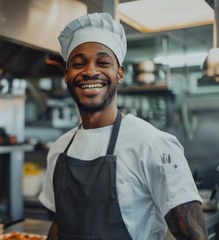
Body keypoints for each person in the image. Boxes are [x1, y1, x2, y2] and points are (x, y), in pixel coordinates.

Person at [38, 12, 208, 240]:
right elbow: (61, 223)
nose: (90, 71)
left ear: (119, 73)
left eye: (103, 62)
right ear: (67, 75)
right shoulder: (60, 149)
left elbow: (194, 236)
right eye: (78, 63)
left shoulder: (152, 143)